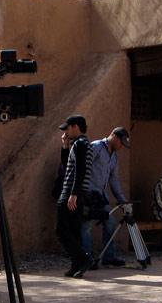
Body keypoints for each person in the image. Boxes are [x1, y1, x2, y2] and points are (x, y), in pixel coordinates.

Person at [86, 127, 130, 268]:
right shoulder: (96, 147)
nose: (121, 146)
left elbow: (114, 180)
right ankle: (87, 259)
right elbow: (83, 168)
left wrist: (122, 200)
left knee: (110, 223)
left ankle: (108, 256)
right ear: (113, 136)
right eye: (121, 143)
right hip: (88, 194)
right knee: (86, 226)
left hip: (101, 196)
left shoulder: (114, 157)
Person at [55, 114, 94, 278]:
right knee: (74, 231)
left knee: (61, 230)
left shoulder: (81, 144)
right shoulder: (79, 145)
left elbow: (80, 171)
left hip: (72, 194)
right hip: (77, 193)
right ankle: (76, 265)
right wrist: (65, 147)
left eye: (68, 128)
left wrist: (73, 194)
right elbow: (67, 167)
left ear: (75, 127)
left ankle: (83, 259)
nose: (66, 132)